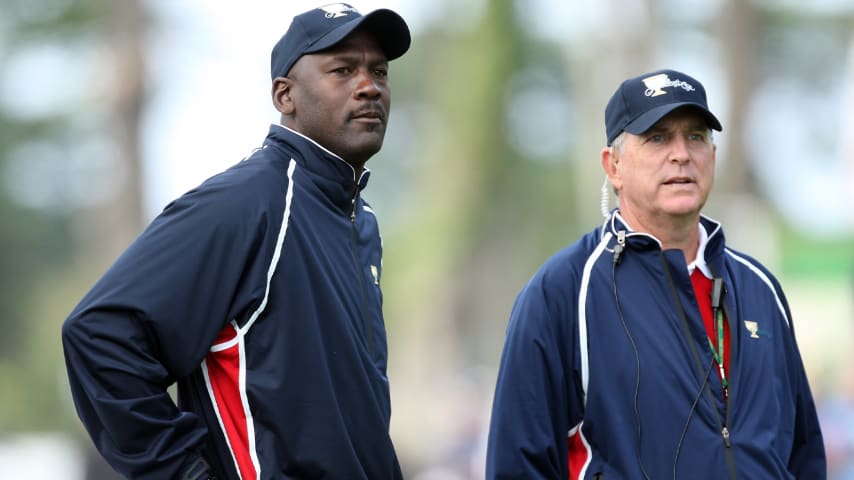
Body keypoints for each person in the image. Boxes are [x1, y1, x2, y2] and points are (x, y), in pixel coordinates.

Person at [61, 4, 410, 479]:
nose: (369, 86)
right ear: (285, 95)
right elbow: (98, 334)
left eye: (379, 71)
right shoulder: (248, 202)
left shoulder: (360, 218)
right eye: (343, 70)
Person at [485, 69, 826, 479]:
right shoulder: (562, 292)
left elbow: (804, 454)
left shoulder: (760, 289)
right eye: (658, 137)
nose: (681, 154)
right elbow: (517, 465)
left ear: (713, 157)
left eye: (695, 136)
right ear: (614, 166)